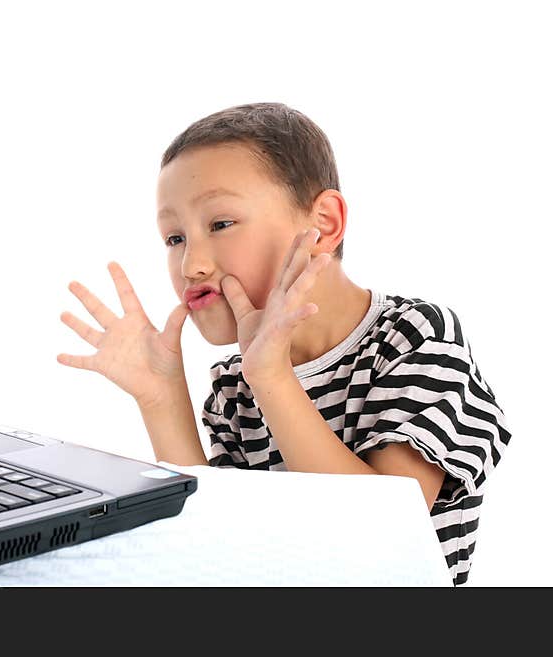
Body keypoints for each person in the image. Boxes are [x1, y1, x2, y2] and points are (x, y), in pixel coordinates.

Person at [56, 102, 510, 586]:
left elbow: (380, 537)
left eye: (220, 224)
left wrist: (272, 378)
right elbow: (217, 546)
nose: (191, 265)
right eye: (174, 238)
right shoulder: (235, 386)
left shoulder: (415, 337)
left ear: (325, 225)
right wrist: (162, 397)